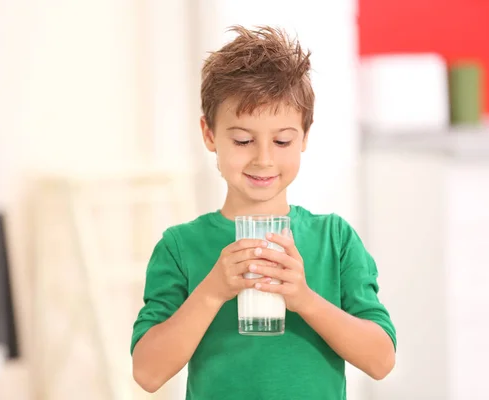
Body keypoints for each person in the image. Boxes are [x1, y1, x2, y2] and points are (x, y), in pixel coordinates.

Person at [131, 25, 396, 399]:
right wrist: (211, 292)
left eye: (282, 140)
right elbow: (147, 372)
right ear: (209, 134)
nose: (264, 158)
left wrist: (304, 299)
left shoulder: (334, 240)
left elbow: (381, 360)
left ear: (304, 136)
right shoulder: (180, 247)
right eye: (242, 140)